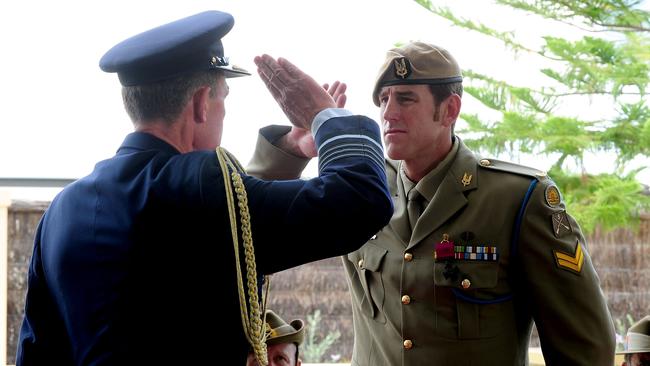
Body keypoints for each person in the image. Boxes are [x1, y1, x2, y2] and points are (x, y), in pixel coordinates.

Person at [15, 10, 392, 365]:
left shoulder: (62, 210)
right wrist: (325, 117)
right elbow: (361, 199)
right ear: (200, 105)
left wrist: (292, 150)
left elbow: (36, 351)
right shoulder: (203, 189)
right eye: (223, 100)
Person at [248, 41, 616, 365]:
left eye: (405, 99)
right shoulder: (360, 189)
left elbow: (585, 345)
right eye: (383, 99)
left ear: (450, 109)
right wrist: (295, 150)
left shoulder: (517, 198)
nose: (388, 113)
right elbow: (245, 229)